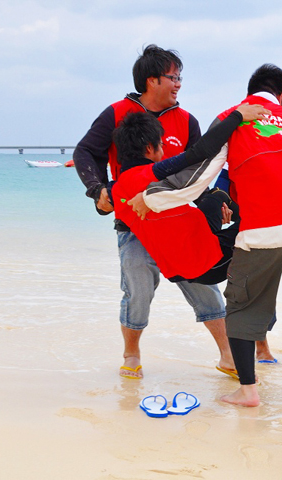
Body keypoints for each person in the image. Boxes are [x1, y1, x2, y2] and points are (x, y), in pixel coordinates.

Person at [130, 64, 282, 406]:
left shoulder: (233, 118)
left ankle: (248, 392)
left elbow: (198, 173)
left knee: (243, 310)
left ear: (250, 92)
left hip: (260, 233)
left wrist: (152, 197)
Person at [72, 44, 234, 380]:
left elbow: (199, 171)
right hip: (134, 222)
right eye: (172, 78)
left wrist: (217, 202)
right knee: (138, 288)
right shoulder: (117, 113)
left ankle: (228, 356)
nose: (178, 84)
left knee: (203, 283)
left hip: (177, 221)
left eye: (179, 78)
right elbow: (86, 151)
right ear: (152, 81)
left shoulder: (186, 120)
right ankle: (131, 354)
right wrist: (98, 189)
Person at [111, 106, 268, 284]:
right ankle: (246, 220)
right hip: (210, 264)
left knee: (217, 196)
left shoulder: (116, 190)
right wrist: (237, 117)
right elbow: (199, 153)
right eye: (161, 144)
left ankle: (234, 214)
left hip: (177, 267)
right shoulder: (152, 173)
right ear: (149, 148)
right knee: (264, 221)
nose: (163, 148)